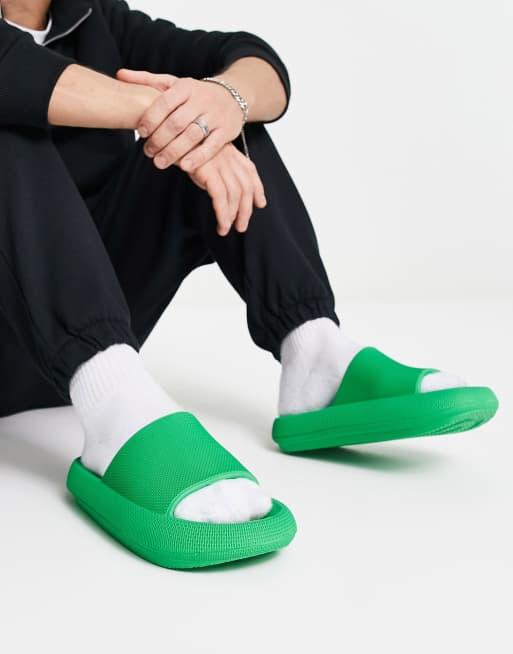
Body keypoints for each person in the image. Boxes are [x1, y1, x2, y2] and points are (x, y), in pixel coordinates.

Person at [0, 0, 498, 569]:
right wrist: (173, 113)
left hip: (75, 334)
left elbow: (255, 63)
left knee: (220, 114)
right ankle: (114, 404)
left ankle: (315, 358)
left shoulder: (94, 20)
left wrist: (221, 102)